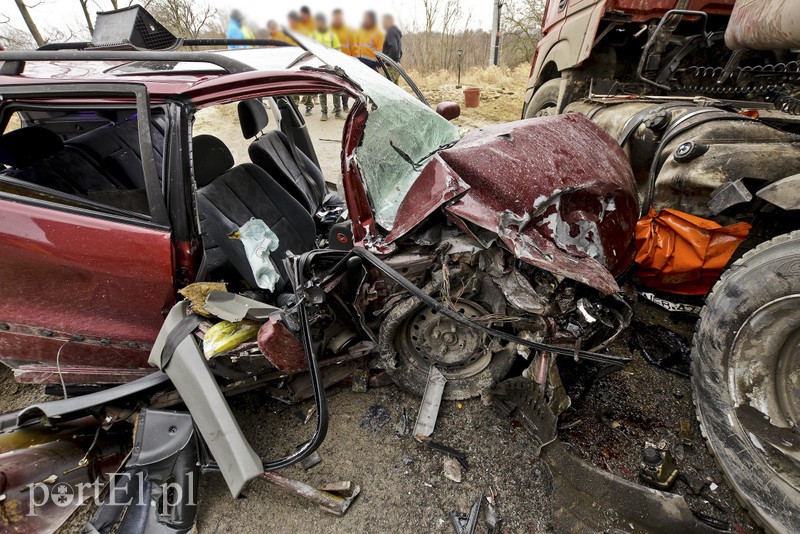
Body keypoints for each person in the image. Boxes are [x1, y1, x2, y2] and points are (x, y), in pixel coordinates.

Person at [310, 14, 343, 121]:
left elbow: (338, 50)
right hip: (319, 66)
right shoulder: (313, 35)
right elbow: (310, 51)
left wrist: (336, 64)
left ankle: (338, 112)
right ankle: (324, 113)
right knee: (322, 90)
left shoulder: (332, 35)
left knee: (335, 89)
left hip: (331, 66)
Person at [331, 8, 355, 112]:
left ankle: (345, 105)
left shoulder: (348, 30)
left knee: (345, 84)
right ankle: (337, 107)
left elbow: (353, 45)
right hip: (333, 61)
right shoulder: (330, 30)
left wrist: (353, 59)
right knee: (335, 84)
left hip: (346, 60)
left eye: (339, 17)